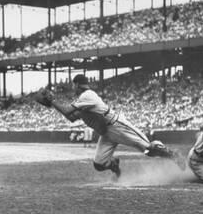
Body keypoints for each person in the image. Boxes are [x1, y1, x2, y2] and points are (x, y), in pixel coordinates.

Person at [38, 74, 185, 179]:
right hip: (106, 133)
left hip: (117, 125)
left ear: (77, 85)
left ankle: (173, 154)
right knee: (99, 164)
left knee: (148, 150)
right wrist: (53, 104)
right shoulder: (83, 99)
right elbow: (71, 118)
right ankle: (114, 165)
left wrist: (53, 102)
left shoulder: (88, 95)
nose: (73, 88)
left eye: (74, 86)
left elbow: (68, 111)